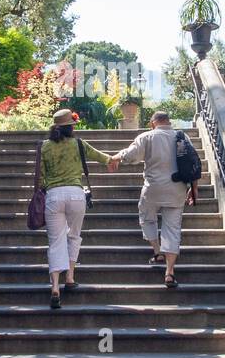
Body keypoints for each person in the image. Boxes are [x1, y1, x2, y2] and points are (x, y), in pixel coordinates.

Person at [110, 111, 196, 288]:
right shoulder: (182, 136)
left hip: (153, 189)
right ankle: (169, 272)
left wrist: (115, 157)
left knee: (147, 217)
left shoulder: (147, 137)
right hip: (177, 188)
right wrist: (194, 190)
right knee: (172, 228)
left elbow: (131, 154)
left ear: (152, 123)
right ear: (169, 121)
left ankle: (157, 252)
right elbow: (192, 163)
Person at [39, 109, 116, 309]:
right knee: (74, 235)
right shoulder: (78, 143)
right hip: (75, 193)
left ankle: (54, 286)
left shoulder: (44, 146)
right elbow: (98, 156)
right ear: (70, 127)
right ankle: (70, 277)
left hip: (54, 195)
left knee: (55, 241)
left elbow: (40, 177)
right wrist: (112, 160)